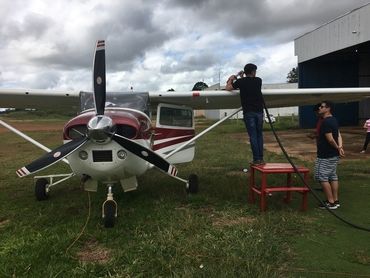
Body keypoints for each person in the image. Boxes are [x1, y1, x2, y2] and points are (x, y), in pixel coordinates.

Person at [226, 63, 264, 165]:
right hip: (259, 112)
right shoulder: (258, 80)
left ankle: (256, 159)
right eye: (255, 71)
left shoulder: (241, 82)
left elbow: (228, 88)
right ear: (252, 72)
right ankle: (261, 158)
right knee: (259, 135)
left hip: (249, 112)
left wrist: (231, 78)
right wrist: (241, 77)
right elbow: (249, 83)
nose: (255, 73)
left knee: (253, 136)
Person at [314, 100, 345, 210]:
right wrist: (340, 148)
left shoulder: (326, 122)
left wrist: (337, 147)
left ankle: (330, 202)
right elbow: (339, 134)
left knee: (322, 177)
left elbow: (331, 139)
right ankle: (335, 201)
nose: (319, 109)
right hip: (333, 154)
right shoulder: (334, 120)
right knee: (333, 176)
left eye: (321, 107)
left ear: (328, 108)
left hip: (325, 155)